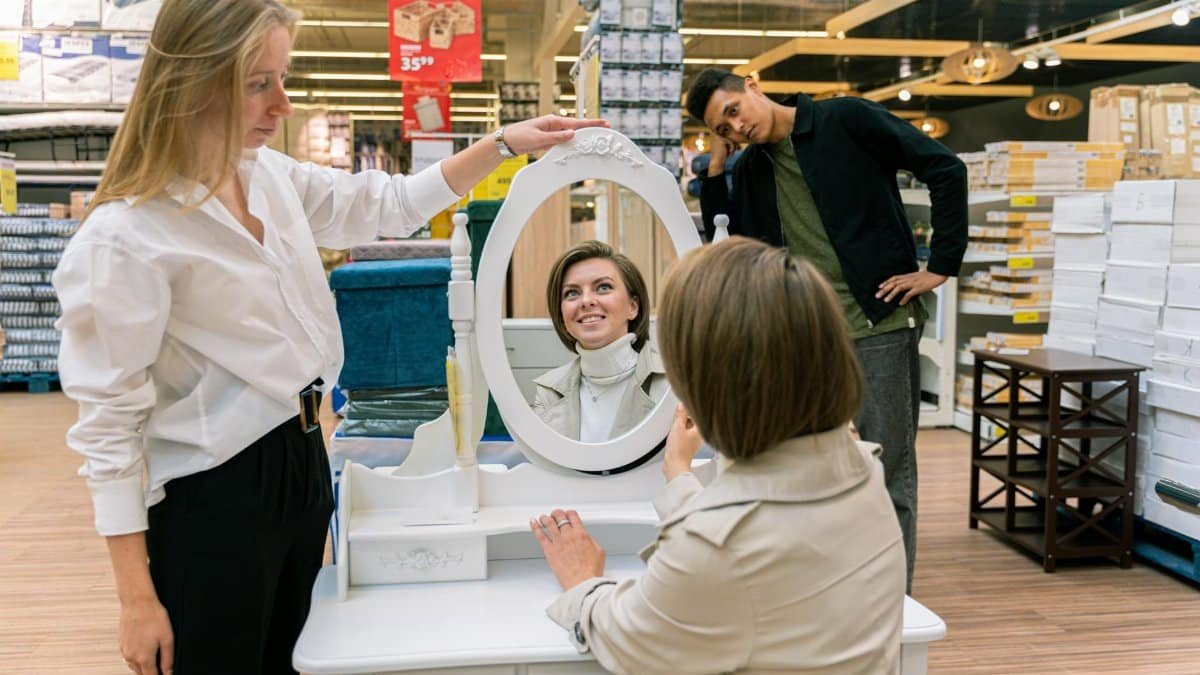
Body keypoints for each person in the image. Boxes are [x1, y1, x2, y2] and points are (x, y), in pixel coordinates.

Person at [51, 1, 605, 673]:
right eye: (259, 82)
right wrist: (137, 599)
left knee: (294, 656)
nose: (282, 103)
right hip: (213, 495)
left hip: (304, 461)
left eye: (283, 76)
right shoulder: (125, 236)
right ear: (193, 81)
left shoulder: (268, 177)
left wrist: (503, 143)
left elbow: (390, 204)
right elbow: (108, 430)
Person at [530, 237, 906, 674]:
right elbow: (755, 531)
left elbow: (628, 638)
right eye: (572, 293)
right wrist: (680, 478)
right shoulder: (863, 468)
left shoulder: (713, 552)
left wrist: (584, 584)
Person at [686, 68, 969, 590]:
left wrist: (941, 264)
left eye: (732, 111)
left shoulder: (845, 120)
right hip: (803, 341)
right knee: (805, 472)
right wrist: (717, 165)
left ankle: (892, 606)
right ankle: (831, 594)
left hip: (876, 321)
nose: (735, 127)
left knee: (889, 472)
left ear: (751, 85)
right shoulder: (751, 170)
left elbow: (945, 169)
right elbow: (725, 240)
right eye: (720, 129)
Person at [533, 240, 668, 442]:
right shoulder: (547, 394)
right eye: (572, 293)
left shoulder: (672, 385)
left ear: (633, 307)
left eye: (603, 287)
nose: (586, 301)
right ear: (562, 316)